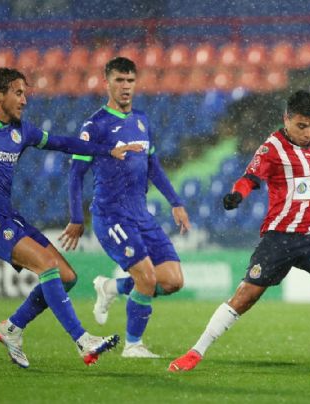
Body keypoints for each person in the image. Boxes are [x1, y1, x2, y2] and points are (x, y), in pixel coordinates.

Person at [0, 67, 144, 368]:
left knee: (66, 277)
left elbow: (64, 143)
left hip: (8, 216)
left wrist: (107, 150)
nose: (24, 100)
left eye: (25, 93)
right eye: (18, 93)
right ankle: (82, 340)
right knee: (47, 267)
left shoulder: (22, 131)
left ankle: (12, 327)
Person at [167, 90, 310, 372]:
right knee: (244, 297)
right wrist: (237, 195)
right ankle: (195, 352)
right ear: (287, 119)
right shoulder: (272, 148)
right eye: (301, 126)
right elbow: (250, 178)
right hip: (279, 239)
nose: (308, 132)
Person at [60, 57, 192, 358]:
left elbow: (153, 165)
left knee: (172, 281)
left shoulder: (142, 120)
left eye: (130, 80)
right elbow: (76, 174)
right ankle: (133, 345)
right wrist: (77, 218)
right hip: (112, 215)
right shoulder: (95, 126)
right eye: (119, 80)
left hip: (141, 214)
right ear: (106, 82)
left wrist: (176, 202)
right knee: (146, 278)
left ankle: (112, 288)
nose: (125, 87)